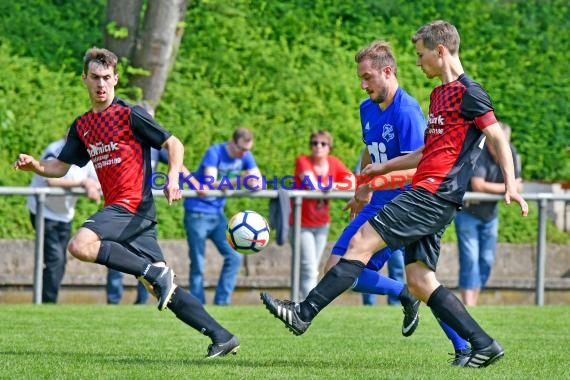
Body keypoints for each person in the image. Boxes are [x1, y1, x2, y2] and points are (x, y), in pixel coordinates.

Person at [260, 21, 528, 368]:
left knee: (358, 246)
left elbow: (496, 137)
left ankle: (303, 312)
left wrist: (510, 184)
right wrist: (378, 170)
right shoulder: (438, 96)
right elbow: (424, 153)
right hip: (427, 193)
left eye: (420, 55)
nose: (418, 63)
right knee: (419, 280)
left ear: (440, 51)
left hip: (432, 194)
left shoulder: (469, 93)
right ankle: (481, 344)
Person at [14, 47, 239, 358]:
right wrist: (36, 166)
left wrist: (173, 177)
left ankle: (152, 272)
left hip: (131, 204)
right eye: (95, 77)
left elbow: (173, 143)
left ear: (116, 79)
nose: (101, 84)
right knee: (163, 288)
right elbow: (60, 167)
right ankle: (222, 335)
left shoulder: (129, 114)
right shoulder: (82, 127)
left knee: (80, 245)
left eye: (107, 78)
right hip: (130, 214)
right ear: (85, 79)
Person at [319, 40, 470, 363]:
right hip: (377, 204)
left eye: (368, 77)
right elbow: (369, 150)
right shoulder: (367, 108)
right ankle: (402, 294)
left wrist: (381, 181)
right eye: (360, 77)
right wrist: (363, 188)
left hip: (407, 206)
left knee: (423, 282)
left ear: (388, 72)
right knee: (336, 271)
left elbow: (420, 165)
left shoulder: (408, 111)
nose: (363, 85)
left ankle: (464, 344)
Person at [183, 127, 261, 305]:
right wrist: (240, 180)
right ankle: (197, 305)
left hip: (217, 215)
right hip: (197, 213)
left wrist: (254, 182)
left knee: (234, 257)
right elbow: (210, 183)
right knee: (198, 263)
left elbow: (258, 182)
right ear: (232, 142)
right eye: (241, 149)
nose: (244, 154)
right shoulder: (214, 152)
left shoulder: (245, 155)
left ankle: (222, 303)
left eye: (247, 150)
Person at [106, 102, 168, 305]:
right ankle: (114, 300)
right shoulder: (122, 142)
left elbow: (176, 154)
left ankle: (143, 302)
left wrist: (187, 181)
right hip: (121, 207)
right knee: (116, 256)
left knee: (149, 258)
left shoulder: (155, 144)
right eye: (145, 120)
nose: (148, 125)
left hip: (144, 209)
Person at [455, 122, 522, 306]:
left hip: (490, 214)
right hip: (467, 212)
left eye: (503, 145)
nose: (499, 149)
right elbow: (479, 185)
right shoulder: (480, 150)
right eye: (495, 144)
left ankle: (473, 299)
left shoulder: (511, 152)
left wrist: (511, 186)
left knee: (487, 260)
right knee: (469, 259)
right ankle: (469, 304)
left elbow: (519, 183)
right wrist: (509, 187)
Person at [27, 137, 101, 303]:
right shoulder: (55, 149)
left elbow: (99, 181)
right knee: (55, 259)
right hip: (43, 211)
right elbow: (52, 180)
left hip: (65, 215)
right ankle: (47, 302)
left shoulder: (87, 154)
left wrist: (90, 185)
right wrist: (82, 183)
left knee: (60, 260)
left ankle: (46, 301)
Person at [290, 130, 355, 299]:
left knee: (312, 267)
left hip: (321, 223)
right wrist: (330, 185)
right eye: (314, 143)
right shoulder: (303, 161)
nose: (318, 146)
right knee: (309, 267)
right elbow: (311, 184)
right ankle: (307, 306)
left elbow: (353, 182)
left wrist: (332, 186)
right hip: (300, 224)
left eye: (323, 143)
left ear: (329, 147)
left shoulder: (333, 162)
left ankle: (297, 303)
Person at [353, 149, 405, 307]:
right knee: (361, 264)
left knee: (397, 265)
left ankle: (399, 301)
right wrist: (362, 193)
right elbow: (362, 172)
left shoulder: (405, 152)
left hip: (399, 214)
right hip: (377, 213)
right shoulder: (373, 149)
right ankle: (369, 304)